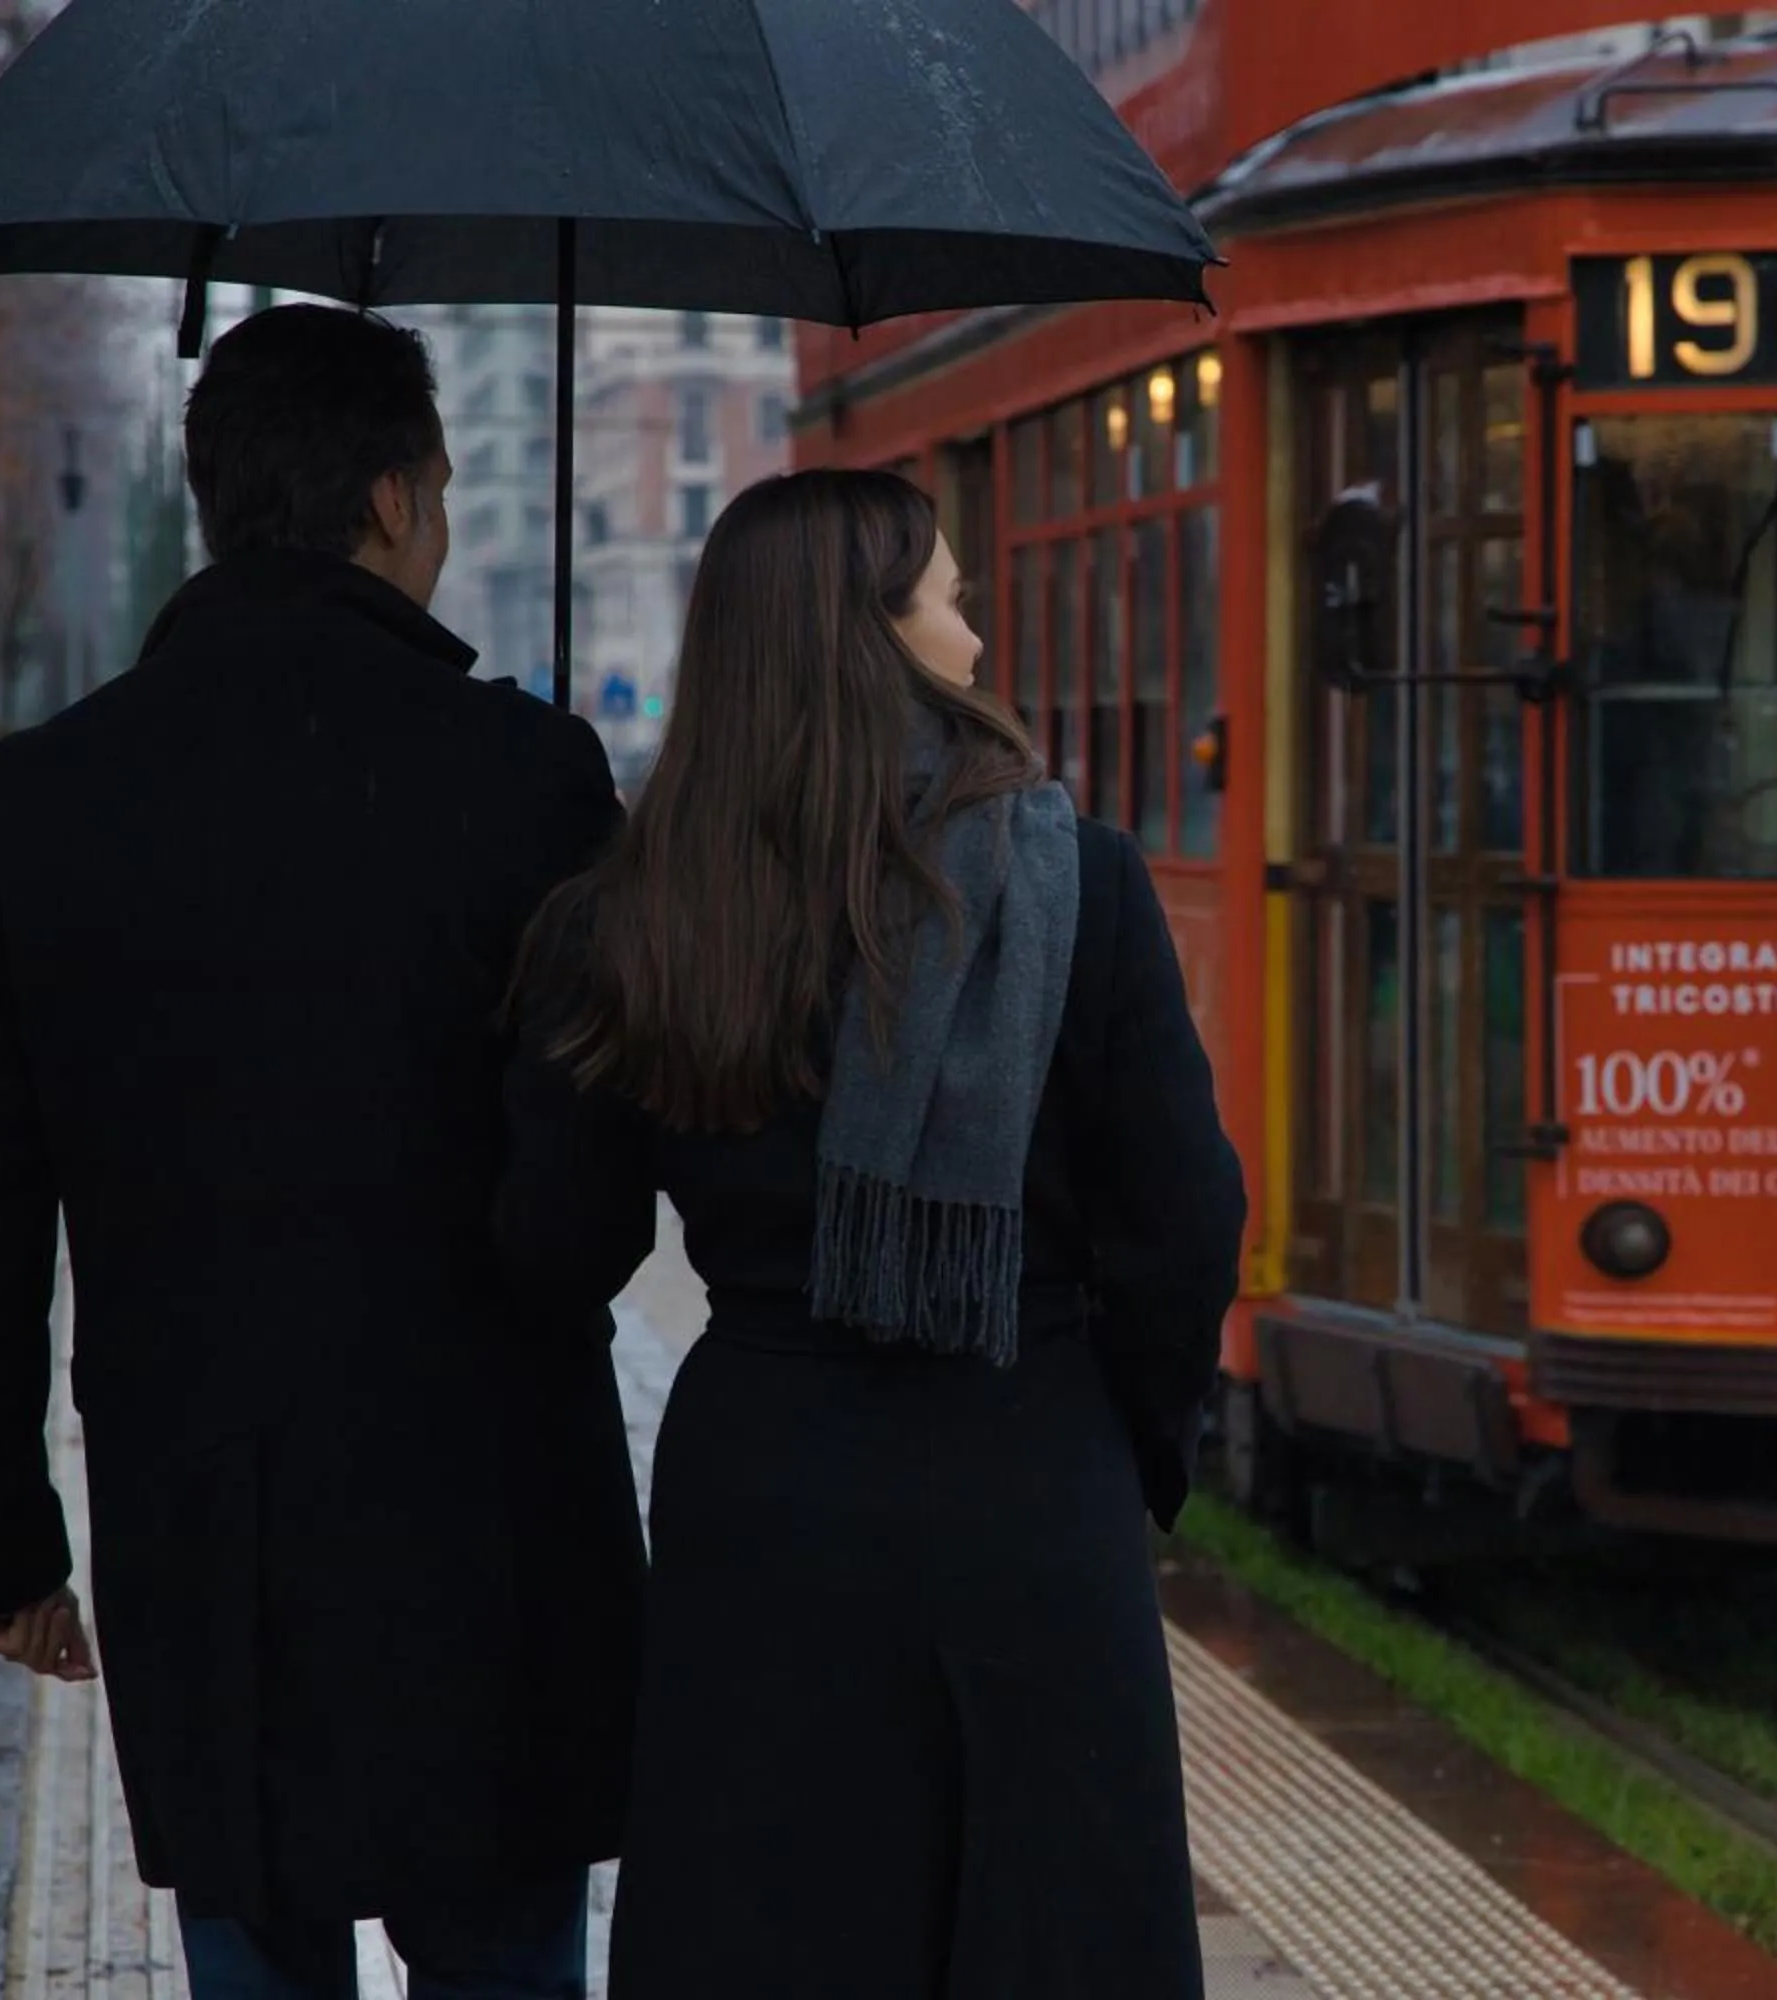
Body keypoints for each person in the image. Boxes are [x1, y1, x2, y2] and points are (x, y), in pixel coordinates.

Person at [0, 304, 639, 1998]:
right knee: (510, 1954)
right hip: (490, 1549)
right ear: (391, 499)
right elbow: (577, 1225)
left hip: (205, 1545)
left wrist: (0, 1549)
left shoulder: (40, 801)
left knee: (252, 1952)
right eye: (441, 498)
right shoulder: (528, 780)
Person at [495, 467, 1246, 1998]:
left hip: (764, 1495)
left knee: (770, 1930)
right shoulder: (1076, 885)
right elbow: (1185, 1225)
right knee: (1051, 1932)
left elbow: (555, 1252)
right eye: (949, 600)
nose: (974, 638)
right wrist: (1125, 1443)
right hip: (1030, 1473)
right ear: (873, 635)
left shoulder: (630, 912)